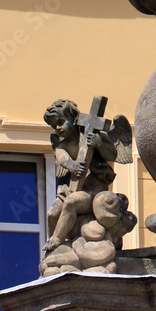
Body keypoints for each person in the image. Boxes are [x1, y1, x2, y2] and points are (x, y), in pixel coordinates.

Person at [42, 99, 118, 255]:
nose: (58, 128)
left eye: (61, 122)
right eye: (54, 125)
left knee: (71, 203)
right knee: (52, 213)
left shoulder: (92, 134)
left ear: (74, 118)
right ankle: (54, 247)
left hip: (94, 192)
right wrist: (72, 165)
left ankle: (57, 239)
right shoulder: (62, 146)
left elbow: (113, 154)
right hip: (72, 189)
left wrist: (99, 144)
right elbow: (62, 158)